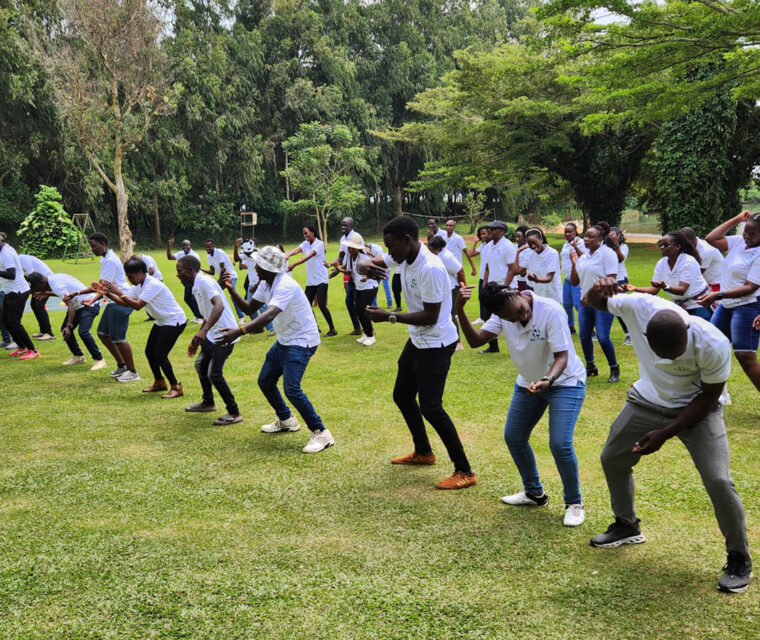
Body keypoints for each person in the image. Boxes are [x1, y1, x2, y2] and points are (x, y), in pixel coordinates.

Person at [586, 277, 751, 594]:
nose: (671, 361)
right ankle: (626, 525)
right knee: (612, 458)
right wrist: (596, 290)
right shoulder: (638, 307)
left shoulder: (713, 343)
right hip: (647, 400)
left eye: (676, 354)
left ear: (687, 331)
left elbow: (708, 397)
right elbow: (595, 302)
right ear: (645, 335)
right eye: (662, 354)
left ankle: (738, 558)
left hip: (699, 408)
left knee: (718, 480)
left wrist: (665, 433)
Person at [360, 215, 477, 490]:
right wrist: (365, 264)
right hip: (418, 341)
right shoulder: (403, 256)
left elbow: (431, 316)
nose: (388, 252)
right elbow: (369, 263)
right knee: (402, 395)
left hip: (437, 343)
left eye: (391, 246)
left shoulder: (431, 268)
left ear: (407, 240)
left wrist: (389, 316)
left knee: (431, 407)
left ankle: (465, 470)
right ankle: (424, 452)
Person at [457, 282, 586, 526]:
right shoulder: (502, 315)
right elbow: (476, 341)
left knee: (560, 444)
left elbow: (562, 356)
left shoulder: (551, 310)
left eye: (519, 311)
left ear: (518, 293)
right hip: (528, 383)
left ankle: (574, 503)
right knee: (514, 437)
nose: (520, 317)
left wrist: (547, 380)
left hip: (565, 382)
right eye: (511, 318)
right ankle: (534, 493)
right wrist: (460, 310)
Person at [218, 246, 334, 454]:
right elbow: (250, 308)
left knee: (292, 389)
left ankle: (321, 433)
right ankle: (286, 420)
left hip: (302, 341)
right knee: (265, 380)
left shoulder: (284, 284)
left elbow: (269, 315)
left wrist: (239, 331)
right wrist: (231, 288)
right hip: (285, 340)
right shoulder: (266, 282)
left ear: (268, 268)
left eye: (258, 265)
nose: (255, 268)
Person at [94, 257, 186, 397]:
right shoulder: (139, 285)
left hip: (174, 321)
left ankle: (176, 387)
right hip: (161, 321)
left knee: (160, 354)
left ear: (140, 272)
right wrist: (107, 293)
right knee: (149, 352)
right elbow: (125, 303)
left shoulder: (152, 284)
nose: (129, 279)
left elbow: (137, 305)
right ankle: (159, 382)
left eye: (131, 276)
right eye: (127, 277)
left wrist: (118, 291)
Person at [697, 210, 760, 392]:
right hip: (726, 305)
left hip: (748, 306)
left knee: (744, 356)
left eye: (752, 234)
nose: (747, 236)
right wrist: (737, 219)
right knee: (710, 347)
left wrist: (718, 295)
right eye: (745, 231)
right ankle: (712, 394)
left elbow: (750, 287)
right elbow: (711, 238)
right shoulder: (739, 242)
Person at [176, 255, 242, 425]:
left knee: (214, 374)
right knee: (201, 365)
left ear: (191, 270)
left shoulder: (204, 282)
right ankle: (208, 402)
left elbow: (219, 305)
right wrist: (199, 335)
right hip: (211, 333)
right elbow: (208, 312)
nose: (178, 275)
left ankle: (234, 413)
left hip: (224, 333)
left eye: (180, 271)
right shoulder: (196, 285)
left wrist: (204, 330)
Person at [64, 233, 137, 380]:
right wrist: (92, 299)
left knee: (118, 338)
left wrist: (77, 293)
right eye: (91, 247)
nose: (93, 249)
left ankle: (132, 372)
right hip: (113, 301)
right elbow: (103, 288)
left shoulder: (110, 261)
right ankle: (122, 365)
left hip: (120, 301)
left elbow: (101, 287)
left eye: (94, 246)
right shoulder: (106, 259)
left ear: (103, 244)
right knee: (103, 334)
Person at [569, 225, 619, 382]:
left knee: (603, 337)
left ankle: (614, 367)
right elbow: (574, 281)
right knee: (584, 336)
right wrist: (574, 263)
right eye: (585, 236)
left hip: (603, 302)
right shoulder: (584, 257)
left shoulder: (607, 254)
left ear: (600, 239)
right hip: (585, 303)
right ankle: (590, 365)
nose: (586, 239)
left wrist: (593, 295)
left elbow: (611, 281)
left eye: (590, 237)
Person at [28, 271, 106, 369]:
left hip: (89, 305)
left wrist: (69, 326)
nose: (37, 289)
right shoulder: (54, 279)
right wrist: (47, 293)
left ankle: (99, 359)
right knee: (64, 329)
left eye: (37, 287)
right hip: (79, 305)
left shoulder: (56, 284)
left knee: (83, 332)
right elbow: (66, 295)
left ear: (42, 282)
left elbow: (70, 304)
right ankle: (78, 356)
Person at [625, 231, 710, 319]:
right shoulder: (661, 263)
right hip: (681, 305)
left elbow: (682, 290)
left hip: (699, 303)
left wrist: (666, 286)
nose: (662, 247)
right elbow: (654, 290)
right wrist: (635, 288)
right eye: (660, 244)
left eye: (666, 245)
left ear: (677, 247)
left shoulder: (688, 262)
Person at [286, 225, 337, 336]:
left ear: (313, 232)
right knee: (306, 305)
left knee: (322, 305)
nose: (305, 236)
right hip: (311, 281)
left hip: (321, 279)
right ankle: (315, 327)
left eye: (306, 233)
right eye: (303, 234)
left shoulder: (319, 244)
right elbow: (297, 250)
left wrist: (293, 264)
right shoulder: (305, 244)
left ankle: (332, 329)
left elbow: (308, 257)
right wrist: (288, 254)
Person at [0, 235, 39, 360]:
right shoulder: (3, 250)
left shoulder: (6, 253)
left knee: (14, 322)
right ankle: (22, 347)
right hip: (9, 291)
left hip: (18, 291)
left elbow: (11, 274)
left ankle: (32, 350)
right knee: (6, 320)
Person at [481, 220, 517, 354]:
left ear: (501, 231)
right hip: (492, 287)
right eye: (489, 229)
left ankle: (518, 346)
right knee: (487, 315)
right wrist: (485, 284)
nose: (489, 231)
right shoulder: (488, 246)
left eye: (493, 229)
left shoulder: (507, 246)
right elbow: (487, 267)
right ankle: (493, 346)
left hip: (505, 287)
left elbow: (512, 269)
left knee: (510, 318)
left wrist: (505, 287)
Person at [427, 235, 466, 350]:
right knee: (442, 314)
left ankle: (458, 342)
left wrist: (463, 286)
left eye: (431, 249)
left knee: (451, 314)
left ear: (438, 249)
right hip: (442, 288)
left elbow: (460, 270)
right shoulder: (436, 255)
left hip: (452, 288)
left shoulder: (446, 257)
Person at [341, 236, 378, 346]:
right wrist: (339, 270)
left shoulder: (364, 258)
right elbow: (350, 272)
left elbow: (375, 271)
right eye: (349, 248)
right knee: (358, 310)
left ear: (358, 248)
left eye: (353, 248)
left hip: (369, 287)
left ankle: (371, 336)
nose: (350, 250)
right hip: (359, 287)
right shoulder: (350, 257)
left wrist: (367, 277)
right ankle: (366, 334)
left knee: (363, 311)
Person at [328, 217, 363, 335]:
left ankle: (369, 328)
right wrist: (333, 267)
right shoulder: (343, 239)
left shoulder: (356, 237)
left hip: (360, 274)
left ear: (352, 226)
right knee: (349, 301)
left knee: (360, 303)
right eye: (342, 225)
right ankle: (358, 328)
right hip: (351, 274)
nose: (343, 227)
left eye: (346, 225)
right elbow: (341, 258)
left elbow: (361, 256)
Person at [517, 228, 562, 304]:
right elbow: (517, 271)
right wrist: (517, 252)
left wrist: (537, 280)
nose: (533, 246)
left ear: (541, 239)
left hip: (552, 294)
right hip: (538, 294)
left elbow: (549, 277)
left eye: (534, 242)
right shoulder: (530, 255)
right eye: (530, 244)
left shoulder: (552, 253)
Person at [203, 239, 244, 320]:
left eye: (209, 247)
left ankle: (242, 317)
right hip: (222, 278)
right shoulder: (208, 256)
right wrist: (200, 269)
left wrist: (219, 281)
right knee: (213, 294)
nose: (207, 249)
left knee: (233, 296)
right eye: (206, 247)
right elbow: (212, 272)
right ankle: (214, 316)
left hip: (230, 276)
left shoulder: (219, 252)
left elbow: (223, 268)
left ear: (213, 246)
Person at [166, 237, 203, 323]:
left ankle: (200, 317)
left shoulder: (194, 255)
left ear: (190, 246)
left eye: (187, 245)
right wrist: (169, 246)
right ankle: (198, 316)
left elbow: (197, 269)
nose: (185, 247)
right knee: (189, 298)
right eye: (183, 246)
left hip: (194, 279)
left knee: (189, 298)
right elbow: (170, 257)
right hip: (187, 279)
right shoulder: (181, 254)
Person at [681, 226, 724, 300]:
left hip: (716, 284)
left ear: (690, 240)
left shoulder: (706, 250)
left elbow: (696, 273)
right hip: (705, 283)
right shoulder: (692, 247)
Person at [19, 253, 55, 340]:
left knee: (39, 306)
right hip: (38, 283)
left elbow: (32, 276)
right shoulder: (18, 261)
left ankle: (49, 333)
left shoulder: (23, 259)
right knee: (34, 305)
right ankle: (43, 331)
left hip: (45, 282)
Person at [606, 227, 631, 345]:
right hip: (607, 279)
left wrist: (615, 244)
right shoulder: (605, 247)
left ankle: (629, 334)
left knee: (619, 307)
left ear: (619, 236)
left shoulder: (624, 247)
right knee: (609, 307)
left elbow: (620, 259)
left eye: (614, 235)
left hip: (620, 279)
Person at [560, 222, 584, 334]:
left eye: (570, 232)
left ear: (575, 232)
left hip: (577, 278)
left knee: (578, 304)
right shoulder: (565, 244)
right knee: (567, 304)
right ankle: (570, 327)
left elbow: (585, 257)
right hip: (567, 279)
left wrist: (576, 247)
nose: (567, 234)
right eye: (566, 232)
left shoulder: (580, 242)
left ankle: (588, 329)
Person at [467, 225, 492, 325]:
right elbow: (470, 254)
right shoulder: (483, 245)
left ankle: (489, 318)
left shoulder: (492, 245)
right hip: (482, 276)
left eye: (484, 234)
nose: (482, 236)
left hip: (491, 277)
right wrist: (475, 242)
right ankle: (482, 317)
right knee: (481, 296)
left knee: (489, 298)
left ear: (489, 233)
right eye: (480, 234)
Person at [512, 225, 534, 292]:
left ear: (525, 237)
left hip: (524, 279)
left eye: (519, 237)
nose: (517, 239)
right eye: (516, 237)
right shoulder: (513, 247)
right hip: (514, 279)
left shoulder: (529, 249)